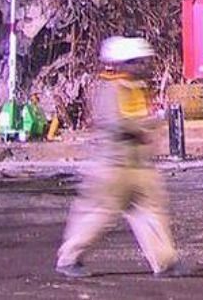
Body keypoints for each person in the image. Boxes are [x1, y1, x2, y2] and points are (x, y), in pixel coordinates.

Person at [56, 37, 181, 278]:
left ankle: (165, 262)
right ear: (124, 63)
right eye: (139, 62)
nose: (145, 66)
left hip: (138, 165)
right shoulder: (110, 89)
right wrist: (148, 125)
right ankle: (69, 258)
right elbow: (116, 124)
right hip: (113, 166)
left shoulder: (136, 88)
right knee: (98, 213)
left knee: (151, 213)